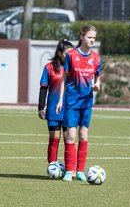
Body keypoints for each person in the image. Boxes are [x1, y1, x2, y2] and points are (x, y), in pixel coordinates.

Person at [56, 25, 102, 182]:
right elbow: (63, 78)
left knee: (83, 135)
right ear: (82, 36)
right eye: (89, 37)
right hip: (71, 101)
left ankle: (80, 171)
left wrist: (97, 84)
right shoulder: (72, 55)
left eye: (94, 38)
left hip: (87, 102)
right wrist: (60, 99)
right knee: (71, 135)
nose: (92, 40)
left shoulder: (96, 58)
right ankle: (69, 171)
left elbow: (97, 75)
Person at [38, 39, 74, 165]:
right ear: (59, 53)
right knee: (54, 139)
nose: (70, 56)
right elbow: (43, 88)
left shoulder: (73, 68)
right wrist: (41, 107)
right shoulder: (49, 68)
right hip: (53, 109)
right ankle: (52, 167)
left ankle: (70, 169)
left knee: (68, 139)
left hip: (69, 109)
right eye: (67, 53)